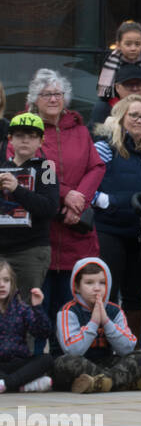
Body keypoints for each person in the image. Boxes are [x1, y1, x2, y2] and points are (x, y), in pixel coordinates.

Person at [28, 70, 105, 354]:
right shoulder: (27, 130)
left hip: (77, 231)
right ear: (35, 99)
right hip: (43, 230)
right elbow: (29, 169)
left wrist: (80, 199)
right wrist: (65, 196)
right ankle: (34, 365)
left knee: (69, 307)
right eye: (46, 94)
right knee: (39, 304)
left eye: (57, 94)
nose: (53, 99)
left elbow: (96, 167)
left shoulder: (81, 130)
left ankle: (65, 364)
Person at [91, 95, 141, 343]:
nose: (139, 120)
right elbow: (87, 187)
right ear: (121, 117)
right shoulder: (104, 148)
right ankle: (103, 349)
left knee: (136, 295)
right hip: (110, 231)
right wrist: (108, 202)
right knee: (107, 293)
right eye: (133, 115)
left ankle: (132, 350)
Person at [52, 257, 141, 393]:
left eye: (102, 283)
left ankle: (103, 382)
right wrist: (94, 322)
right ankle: (125, 382)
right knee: (65, 362)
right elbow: (73, 351)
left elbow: (127, 348)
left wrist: (107, 322)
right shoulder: (68, 311)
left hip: (105, 362)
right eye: (89, 283)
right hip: (79, 365)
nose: (97, 288)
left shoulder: (114, 310)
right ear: (77, 287)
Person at [1, 113, 60, 298]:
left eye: (32, 136)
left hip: (30, 250)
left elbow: (50, 208)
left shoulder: (46, 169)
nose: (25, 140)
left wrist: (17, 189)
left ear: (41, 141)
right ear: (10, 140)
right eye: (19, 135)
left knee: (27, 306)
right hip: (2, 249)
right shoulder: (2, 167)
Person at [0, 260, 55, 393]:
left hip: (18, 363)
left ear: (12, 283)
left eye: (6, 280)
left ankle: (6, 384)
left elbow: (43, 332)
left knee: (46, 359)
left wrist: (37, 307)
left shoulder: (21, 308)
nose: (2, 285)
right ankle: (24, 385)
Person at [96, 20, 141, 105]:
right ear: (118, 45)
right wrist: (116, 105)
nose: (133, 48)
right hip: (116, 103)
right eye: (128, 44)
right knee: (100, 107)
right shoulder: (110, 60)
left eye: (137, 44)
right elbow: (104, 91)